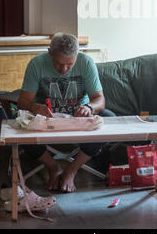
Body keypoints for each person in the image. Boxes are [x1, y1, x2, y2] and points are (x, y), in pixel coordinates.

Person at [18, 32, 113, 193]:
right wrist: (35, 107)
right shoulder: (36, 64)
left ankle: (72, 169)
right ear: (50, 52)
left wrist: (89, 107)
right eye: (57, 63)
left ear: (77, 55)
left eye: (69, 64)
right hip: (46, 120)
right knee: (18, 128)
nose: (63, 69)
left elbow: (99, 100)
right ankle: (53, 168)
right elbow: (23, 102)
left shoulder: (86, 63)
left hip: (79, 118)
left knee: (110, 121)